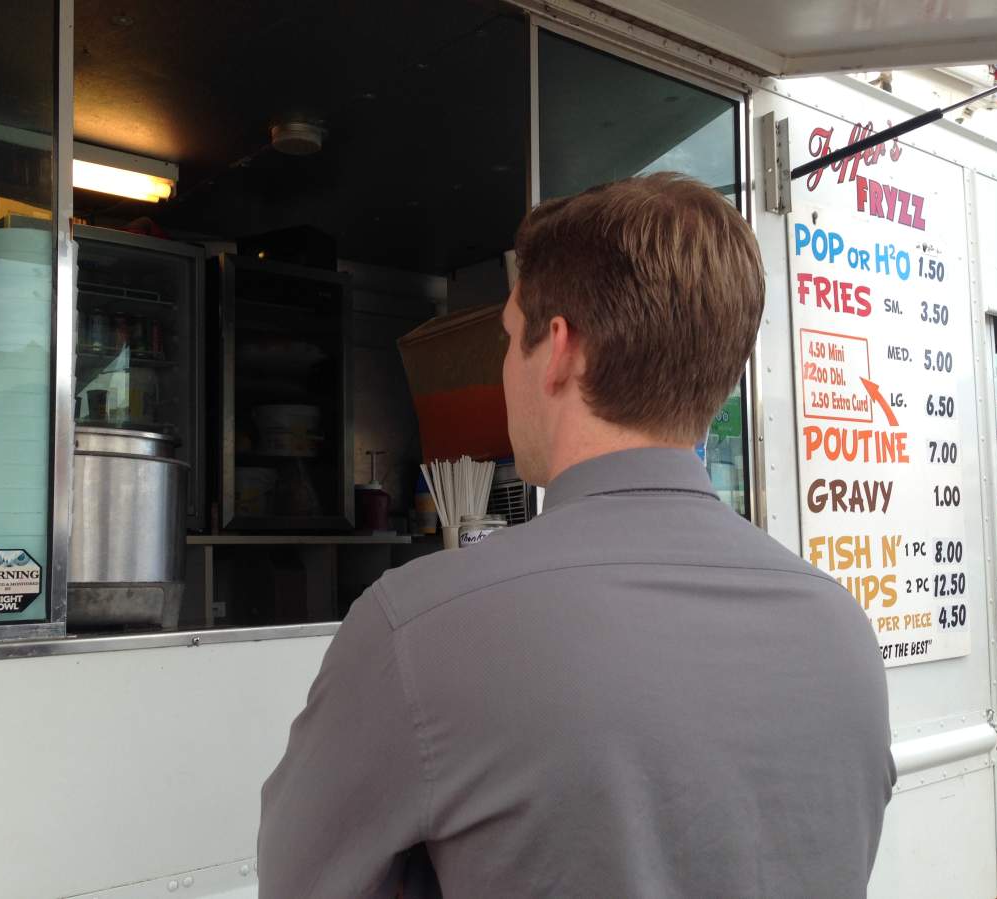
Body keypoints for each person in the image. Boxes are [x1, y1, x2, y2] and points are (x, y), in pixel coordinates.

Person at [258, 173, 894, 898]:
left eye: (505, 338)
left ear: (559, 349)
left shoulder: (417, 631)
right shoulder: (842, 630)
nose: (503, 371)